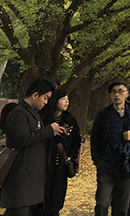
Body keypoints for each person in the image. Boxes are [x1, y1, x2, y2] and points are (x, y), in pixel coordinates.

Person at [0, 78, 63, 216]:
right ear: (35, 95)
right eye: (45, 98)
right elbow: (22, 139)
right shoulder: (18, 114)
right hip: (21, 175)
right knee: (18, 211)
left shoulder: (33, 114)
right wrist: (49, 130)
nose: (46, 102)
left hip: (31, 175)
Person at [91, 80, 130, 216]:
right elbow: (95, 139)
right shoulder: (103, 115)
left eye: (120, 91)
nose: (117, 95)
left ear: (127, 94)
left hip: (127, 165)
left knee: (122, 207)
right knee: (102, 204)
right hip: (106, 165)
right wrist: (97, 160)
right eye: (113, 92)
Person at [39, 88, 81, 216]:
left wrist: (70, 158)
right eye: (63, 99)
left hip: (60, 167)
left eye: (67, 99)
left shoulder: (70, 120)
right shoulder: (42, 118)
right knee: (40, 202)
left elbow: (76, 142)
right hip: (42, 165)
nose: (66, 102)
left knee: (55, 201)